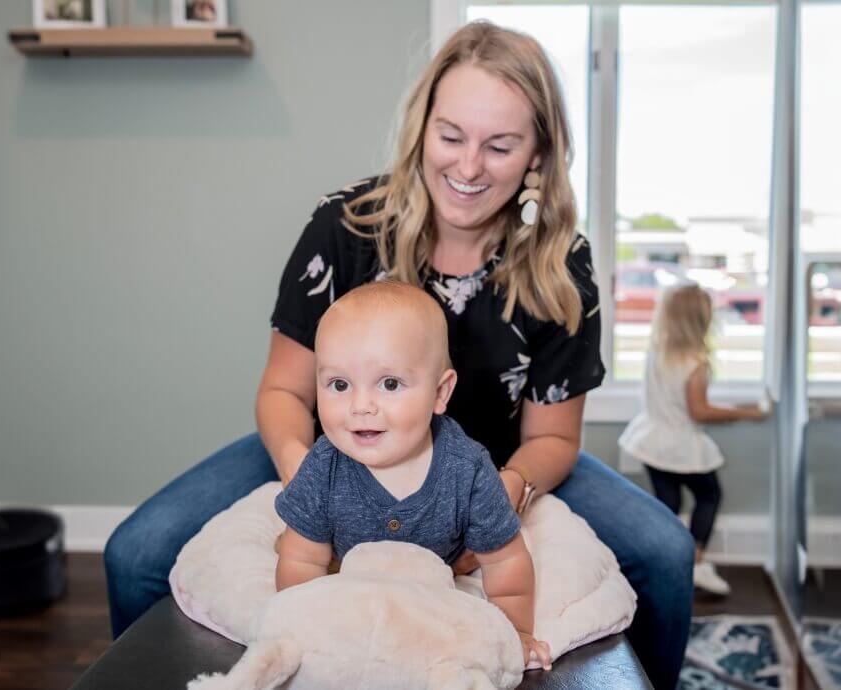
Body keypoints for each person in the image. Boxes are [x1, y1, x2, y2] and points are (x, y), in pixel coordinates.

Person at [104, 21, 694, 688]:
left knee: (666, 555)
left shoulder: (563, 266)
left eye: (499, 146)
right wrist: (316, 482)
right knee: (136, 554)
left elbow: (554, 436)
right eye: (451, 137)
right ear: (422, 129)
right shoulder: (344, 227)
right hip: (335, 446)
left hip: (494, 458)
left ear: (538, 155)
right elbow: (283, 392)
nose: (468, 168)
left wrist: (499, 498)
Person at [274, 281, 552, 669]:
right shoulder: (324, 465)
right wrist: (301, 631)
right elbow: (301, 562)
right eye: (339, 384)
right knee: (290, 540)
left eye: (389, 384)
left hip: (436, 577)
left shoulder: (467, 469)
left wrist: (515, 634)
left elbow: (506, 563)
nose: (360, 406)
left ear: (440, 393)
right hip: (350, 573)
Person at [618, 285, 769, 597]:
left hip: (651, 439)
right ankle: (696, 561)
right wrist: (743, 413)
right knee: (709, 495)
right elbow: (698, 411)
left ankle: (662, 562)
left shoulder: (656, 352)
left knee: (667, 504)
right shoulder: (694, 362)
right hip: (679, 444)